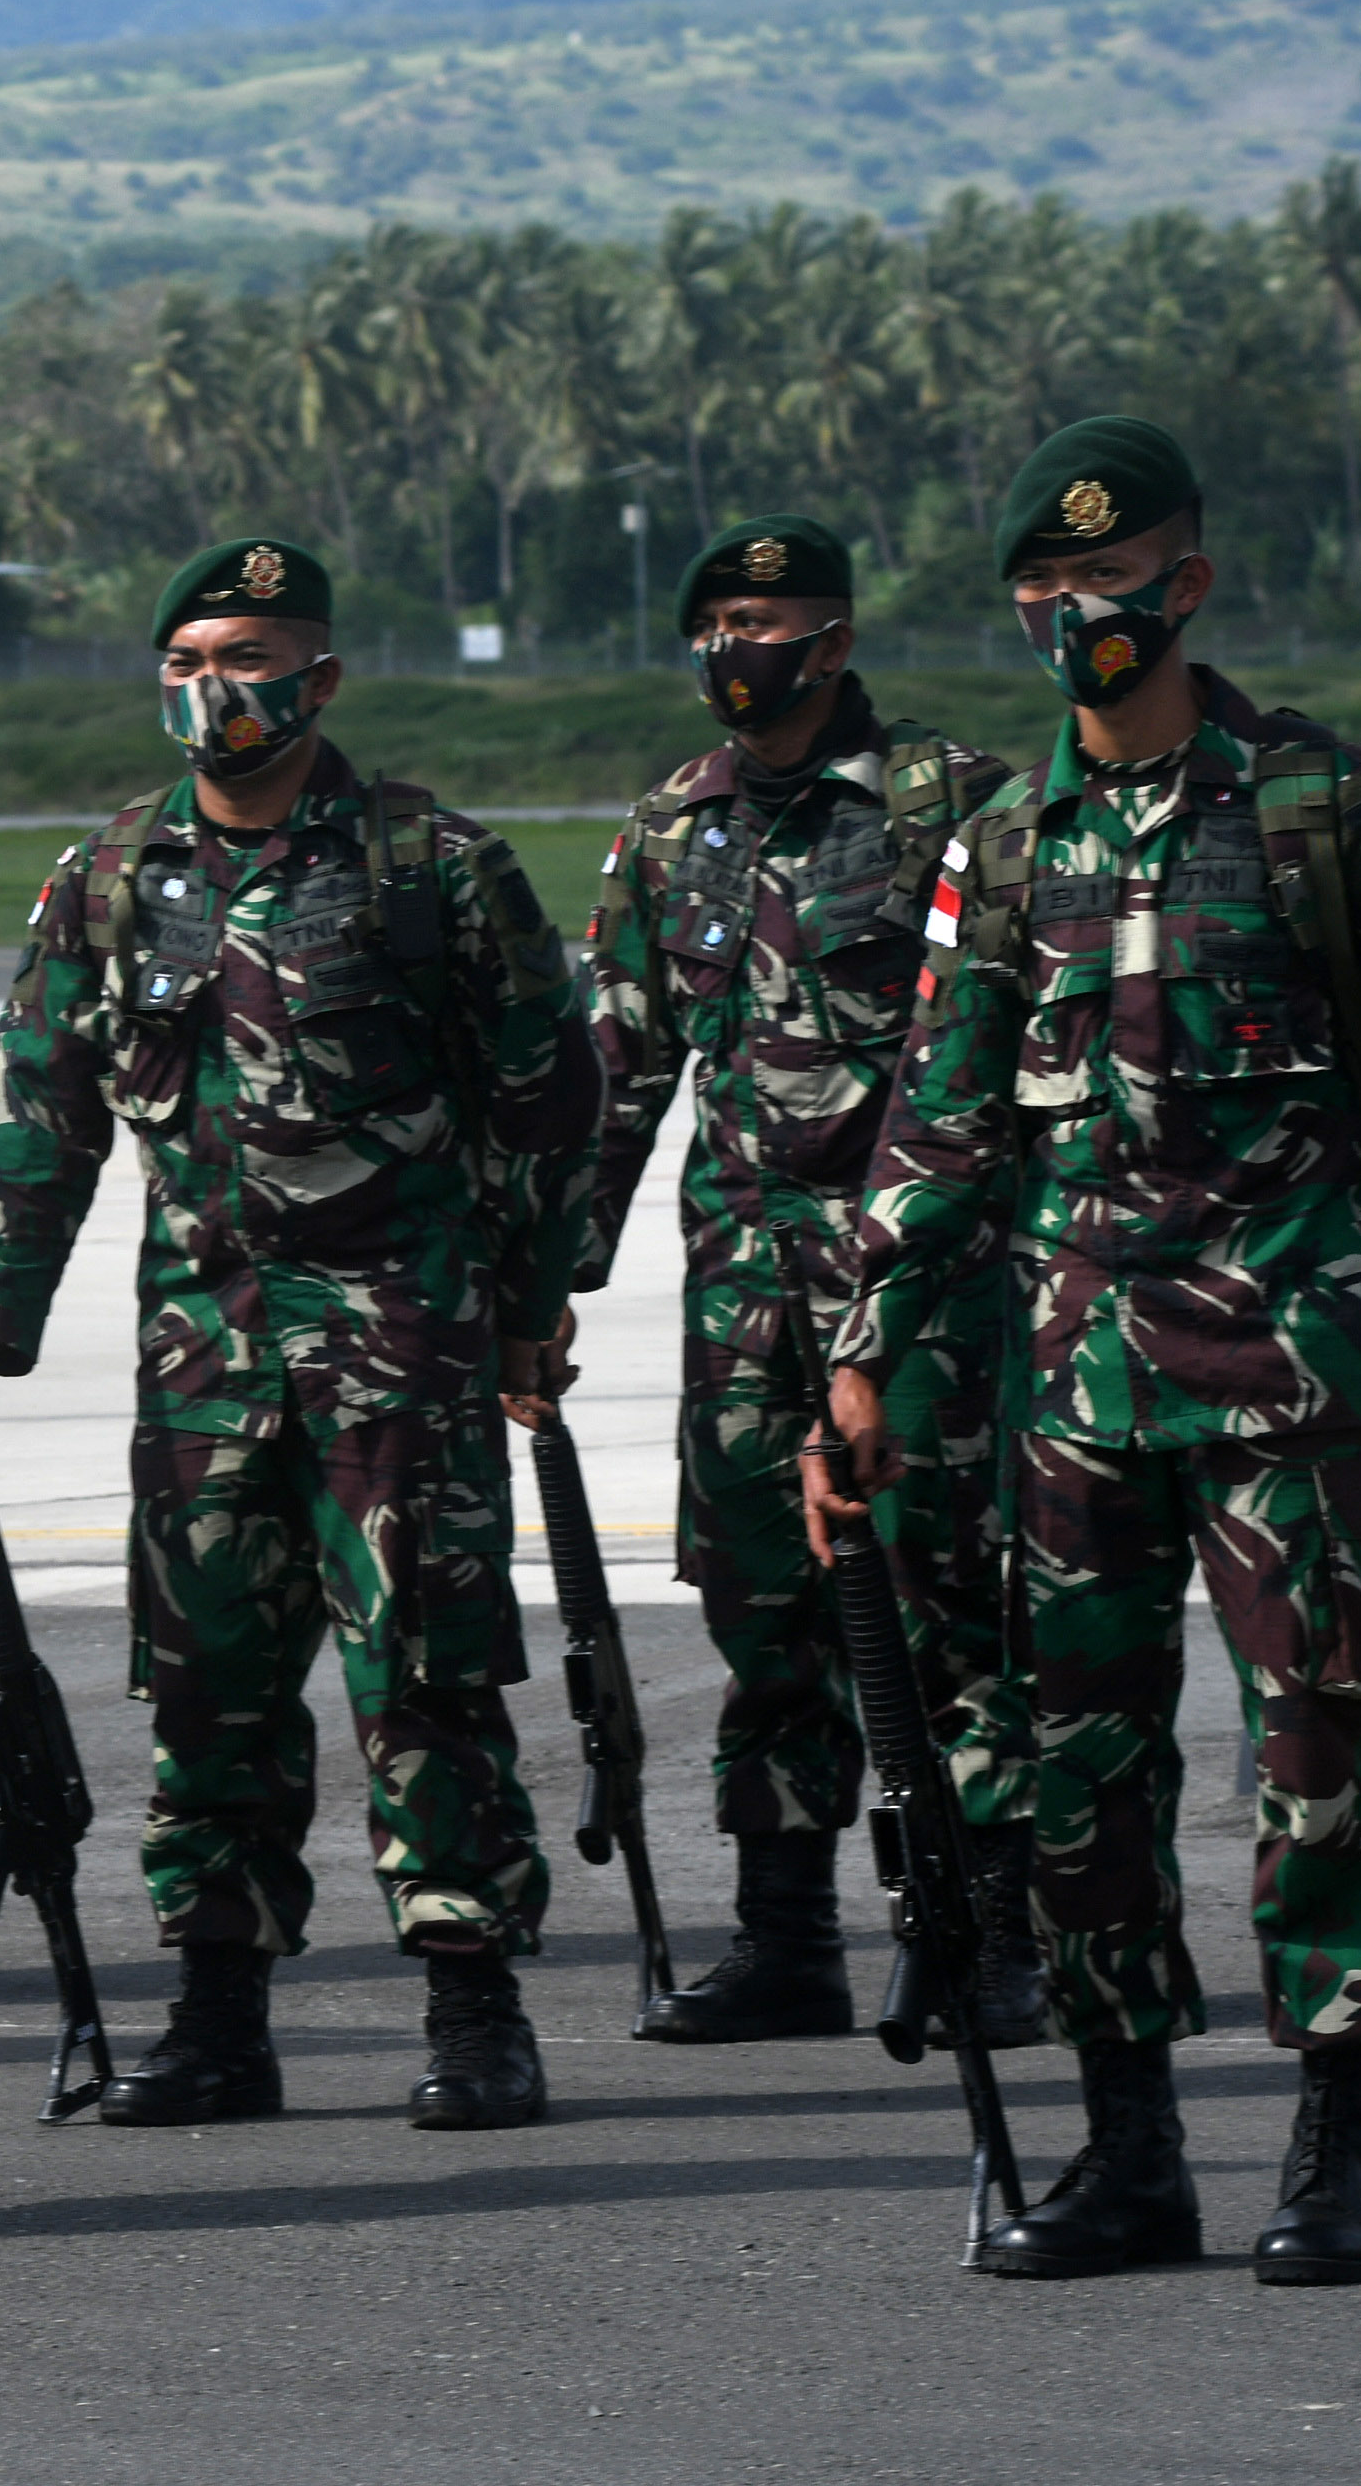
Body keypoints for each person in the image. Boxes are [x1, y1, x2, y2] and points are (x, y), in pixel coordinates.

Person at [820, 417, 1361, 2284]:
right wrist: (858, 1359)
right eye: (1046, 592)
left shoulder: (1332, 809)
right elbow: (938, 1117)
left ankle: (1340, 2145)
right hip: (1073, 1383)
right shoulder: (1007, 849)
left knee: (1319, 1744)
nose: (1080, 616)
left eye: (1112, 582)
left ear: (1188, 584)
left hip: (1286, 1371)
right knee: (1076, 1767)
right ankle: (1132, 2146)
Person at [0, 537, 595, 2132]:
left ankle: (475, 2007)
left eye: (250, 656)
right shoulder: (108, 878)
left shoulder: (434, 865)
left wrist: (529, 1306)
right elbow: (37, 1115)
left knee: (423, 1679)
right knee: (208, 1687)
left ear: (323, 678)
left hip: (400, 1346)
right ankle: (219, 2016)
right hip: (203, 1357)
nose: (216, 690)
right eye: (188, 662)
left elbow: (547, 1100)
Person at [573, 517, 1038, 2046]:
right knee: (762, 1610)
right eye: (711, 620)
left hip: (923, 1298)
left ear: (832, 641)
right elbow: (618, 1068)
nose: (731, 648)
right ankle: (788, 1939)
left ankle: (990, 1931)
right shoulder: (671, 829)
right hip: (743, 1301)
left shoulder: (952, 806)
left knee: (946, 1610)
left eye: (762, 618)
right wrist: (546, 1280)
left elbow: (1011, 1052)